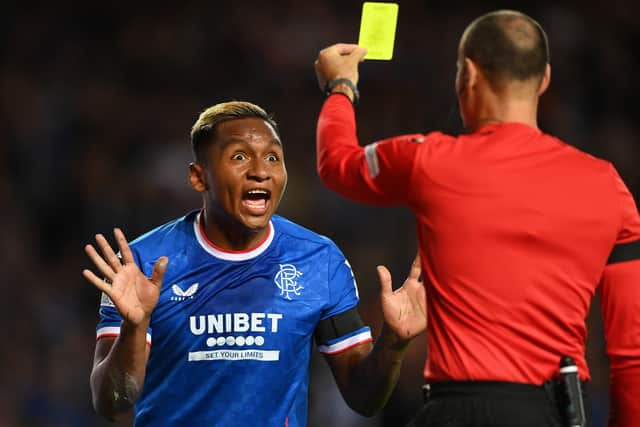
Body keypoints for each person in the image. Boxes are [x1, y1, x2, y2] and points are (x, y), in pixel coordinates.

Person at [314, 9, 640, 427]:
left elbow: (336, 164)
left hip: (456, 411)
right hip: (554, 413)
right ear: (543, 80)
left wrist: (340, 87)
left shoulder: (428, 160)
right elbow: (630, 350)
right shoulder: (607, 187)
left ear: (467, 74)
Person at [82, 101, 427, 427]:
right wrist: (134, 327)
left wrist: (393, 343)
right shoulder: (143, 263)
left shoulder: (318, 260)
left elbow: (364, 398)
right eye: (240, 157)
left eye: (274, 158)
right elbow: (112, 401)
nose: (261, 171)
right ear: (199, 177)